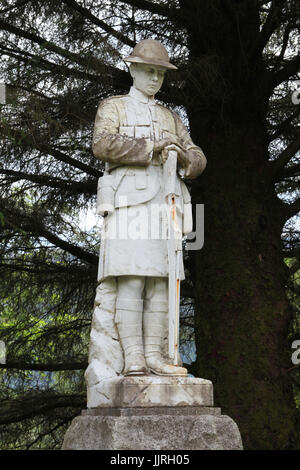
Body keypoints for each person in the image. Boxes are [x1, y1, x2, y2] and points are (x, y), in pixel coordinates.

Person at [92, 39, 206, 376]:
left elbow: (197, 156)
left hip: (165, 203)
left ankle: (156, 356)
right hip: (128, 202)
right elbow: (102, 143)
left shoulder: (171, 117)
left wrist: (185, 157)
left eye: (160, 73)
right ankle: (134, 357)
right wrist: (152, 147)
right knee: (131, 281)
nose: (155, 79)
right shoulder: (113, 107)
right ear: (133, 70)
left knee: (161, 282)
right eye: (149, 71)